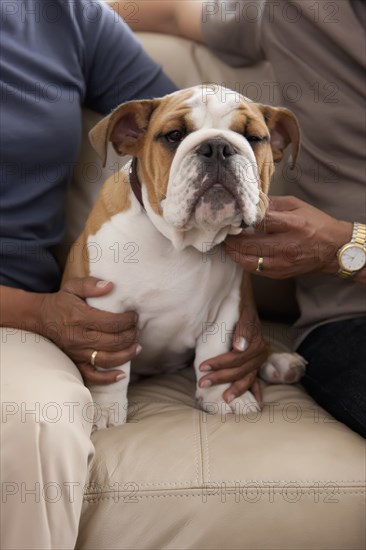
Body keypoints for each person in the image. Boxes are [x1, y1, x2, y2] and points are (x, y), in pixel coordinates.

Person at [0, 1, 267, 548]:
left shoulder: (62, 14)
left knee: (35, 422)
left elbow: (182, 132)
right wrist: (35, 311)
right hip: (23, 311)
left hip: (20, 323)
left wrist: (242, 294)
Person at [112, 0, 366, 438]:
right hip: (351, 319)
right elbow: (174, 13)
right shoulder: (297, 9)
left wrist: (345, 245)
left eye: (248, 138)